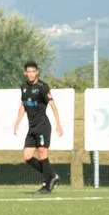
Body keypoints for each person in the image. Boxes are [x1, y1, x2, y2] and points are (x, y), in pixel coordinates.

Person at [14, 61, 64, 194]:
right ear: (25, 73)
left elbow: (52, 104)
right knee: (27, 156)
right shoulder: (23, 87)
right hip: (32, 128)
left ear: (37, 72)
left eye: (33, 71)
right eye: (28, 72)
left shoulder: (43, 87)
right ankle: (51, 175)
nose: (31, 74)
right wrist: (18, 120)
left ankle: (47, 185)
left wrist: (58, 122)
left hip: (42, 126)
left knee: (42, 153)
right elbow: (23, 104)